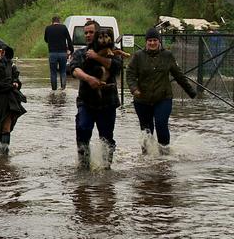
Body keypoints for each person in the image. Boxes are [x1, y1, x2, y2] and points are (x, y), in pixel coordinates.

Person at [126, 28, 196, 155]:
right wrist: (134, 88)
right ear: (146, 42)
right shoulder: (138, 56)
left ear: (159, 41)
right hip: (142, 99)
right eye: (150, 40)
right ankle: (147, 157)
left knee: (161, 123)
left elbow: (178, 75)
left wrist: (191, 91)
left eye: (155, 40)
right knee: (146, 130)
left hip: (163, 98)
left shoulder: (167, 55)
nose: (152, 43)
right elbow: (130, 74)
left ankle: (165, 155)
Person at [69, 20, 122, 169]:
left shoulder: (112, 50)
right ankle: (83, 167)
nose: (87, 35)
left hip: (107, 101)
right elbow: (73, 69)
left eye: (91, 32)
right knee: (83, 129)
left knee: (106, 137)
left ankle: (106, 168)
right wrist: (88, 78)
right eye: (85, 32)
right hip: (86, 100)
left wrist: (97, 57)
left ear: (99, 34)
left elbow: (117, 67)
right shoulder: (80, 52)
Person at [44, 16, 74, 91]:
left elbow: (46, 39)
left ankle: (54, 90)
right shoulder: (63, 27)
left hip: (52, 53)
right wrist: (71, 50)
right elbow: (69, 40)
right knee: (63, 71)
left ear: (52, 21)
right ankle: (63, 89)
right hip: (62, 53)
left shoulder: (48, 28)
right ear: (59, 21)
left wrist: (51, 41)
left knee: (53, 72)